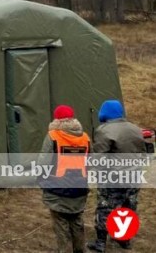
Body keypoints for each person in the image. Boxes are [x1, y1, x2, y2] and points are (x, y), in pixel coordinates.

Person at [87, 99, 147, 252]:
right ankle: (124, 239)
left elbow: (99, 158)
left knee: (105, 207)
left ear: (104, 113)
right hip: (134, 176)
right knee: (128, 207)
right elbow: (143, 154)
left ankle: (100, 242)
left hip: (113, 178)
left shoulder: (104, 130)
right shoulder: (136, 129)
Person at [37, 104, 90, 253]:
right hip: (79, 188)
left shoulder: (53, 136)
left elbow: (43, 162)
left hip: (57, 188)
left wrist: (41, 180)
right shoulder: (85, 137)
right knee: (77, 221)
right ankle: (80, 250)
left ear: (56, 120)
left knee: (61, 225)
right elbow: (89, 163)